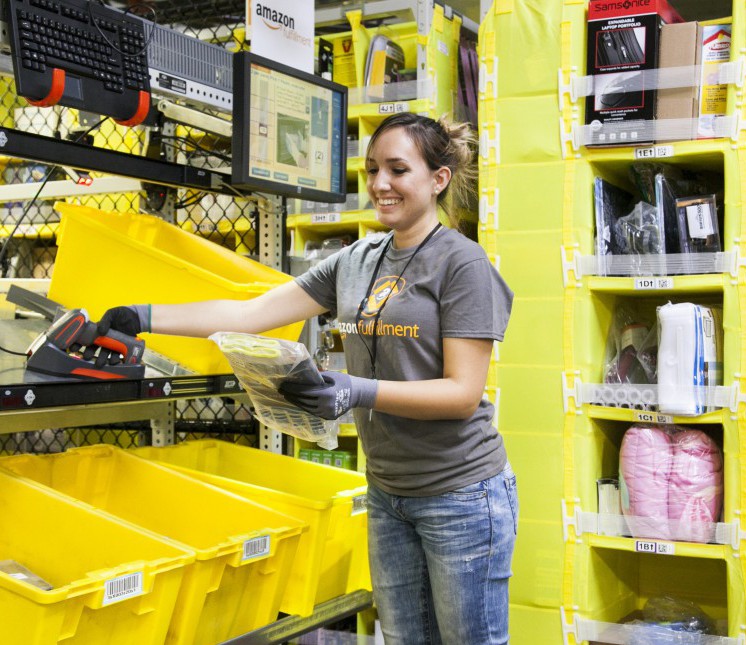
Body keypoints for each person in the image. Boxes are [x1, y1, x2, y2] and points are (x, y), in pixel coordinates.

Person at [95, 112, 517, 644]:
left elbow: (462, 394)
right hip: (389, 492)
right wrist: (145, 316)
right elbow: (250, 314)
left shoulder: (464, 265)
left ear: (438, 179)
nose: (380, 184)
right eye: (372, 170)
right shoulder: (356, 261)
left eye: (397, 169)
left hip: (461, 495)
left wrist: (353, 390)